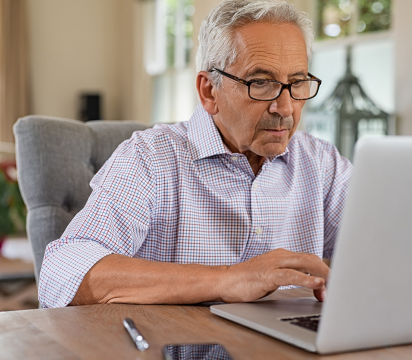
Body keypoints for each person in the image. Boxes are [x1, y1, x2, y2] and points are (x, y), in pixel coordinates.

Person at [39, 0, 352, 308]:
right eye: (260, 83)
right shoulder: (150, 157)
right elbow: (62, 273)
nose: (284, 108)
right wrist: (229, 279)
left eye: (297, 83)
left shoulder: (323, 164)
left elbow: (390, 252)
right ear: (208, 91)